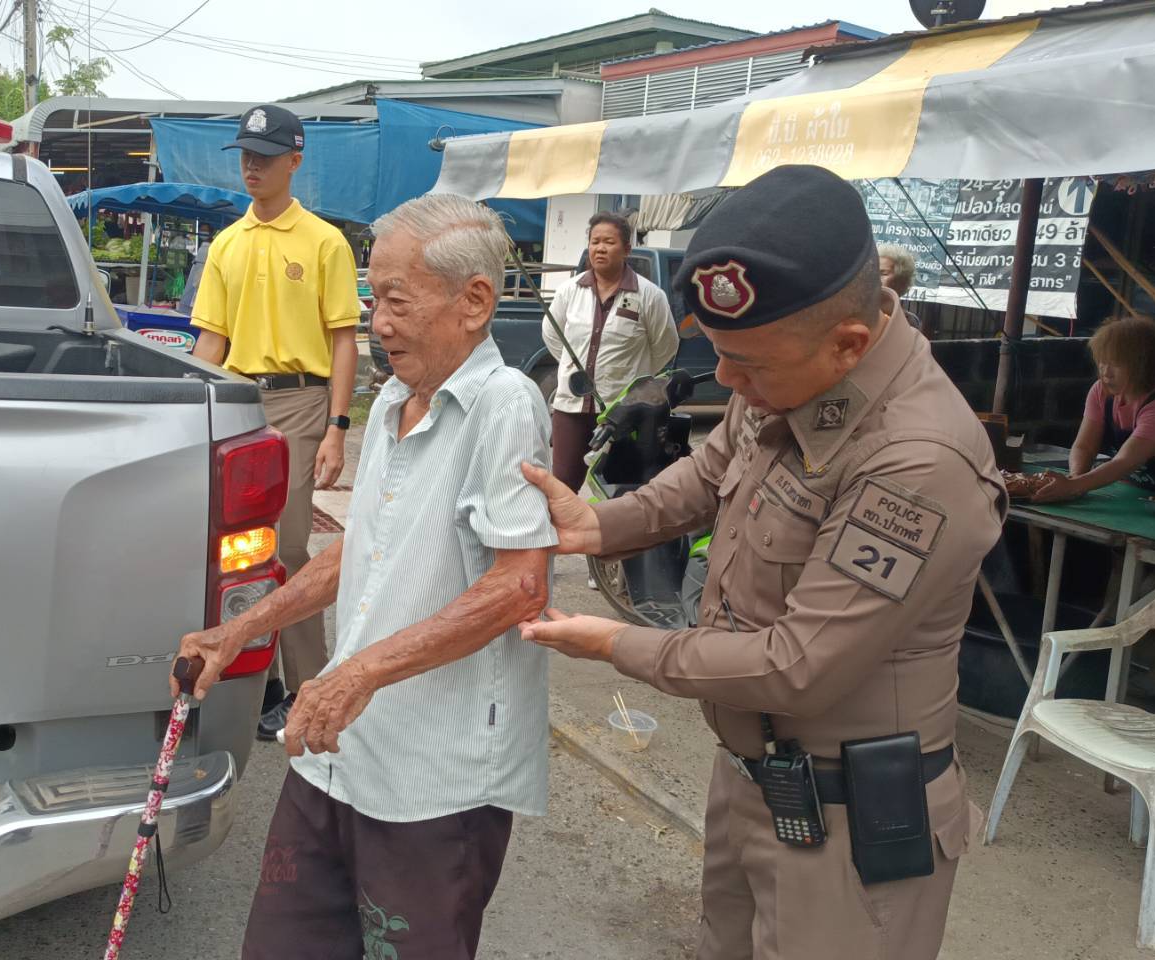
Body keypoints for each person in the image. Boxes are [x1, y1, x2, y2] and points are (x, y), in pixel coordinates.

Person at [518, 165, 1007, 960]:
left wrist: (614, 643)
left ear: (851, 342)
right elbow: (710, 474)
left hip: (849, 822)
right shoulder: (783, 369)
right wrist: (597, 528)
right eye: (721, 357)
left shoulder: (918, 464)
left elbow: (796, 666)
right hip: (755, 778)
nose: (732, 383)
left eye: (749, 365)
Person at [173, 193, 554, 959]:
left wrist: (360, 674)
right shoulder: (389, 404)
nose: (376, 323)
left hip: (433, 780)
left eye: (395, 302)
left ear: (475, 301)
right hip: (337, 754)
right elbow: (360, 549)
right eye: (373, 300)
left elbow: (521, 585)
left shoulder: (503, 403)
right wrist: (239, 629)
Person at [190, 104, 361, 740]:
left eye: (265, 154)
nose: (252, 165)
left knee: (287, 551)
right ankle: (255, 683)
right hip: (237, 403)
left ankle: (308, 686)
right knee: (239, 551)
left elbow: (344, 339)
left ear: (295, 159)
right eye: (245, 153)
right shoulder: (227, 245)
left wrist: (338, 425)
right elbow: (211, 342)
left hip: (298, 403)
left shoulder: (323, 242)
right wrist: (186, 403)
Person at [543, 211, 680, 493]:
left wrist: (632, 377)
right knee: (563, 486)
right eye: (594, 242)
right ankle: (563, 537)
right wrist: (573, 366)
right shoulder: (569, 291)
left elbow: (666, 346)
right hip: (571, 407)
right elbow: (552, 335)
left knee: (618, 487)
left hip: (623, 410)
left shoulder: (650, 296)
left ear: (627, 249)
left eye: (609, 242)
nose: (600, 248)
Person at [1034, 315, 1155, 503]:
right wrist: (1075, 479)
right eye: (1103, 361)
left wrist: (1075, 486)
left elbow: (1126, 462)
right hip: (1136, 492)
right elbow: (1085, 446)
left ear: (1144, 366)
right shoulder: (1101, 391)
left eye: (1116, 363)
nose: (1106, 372)